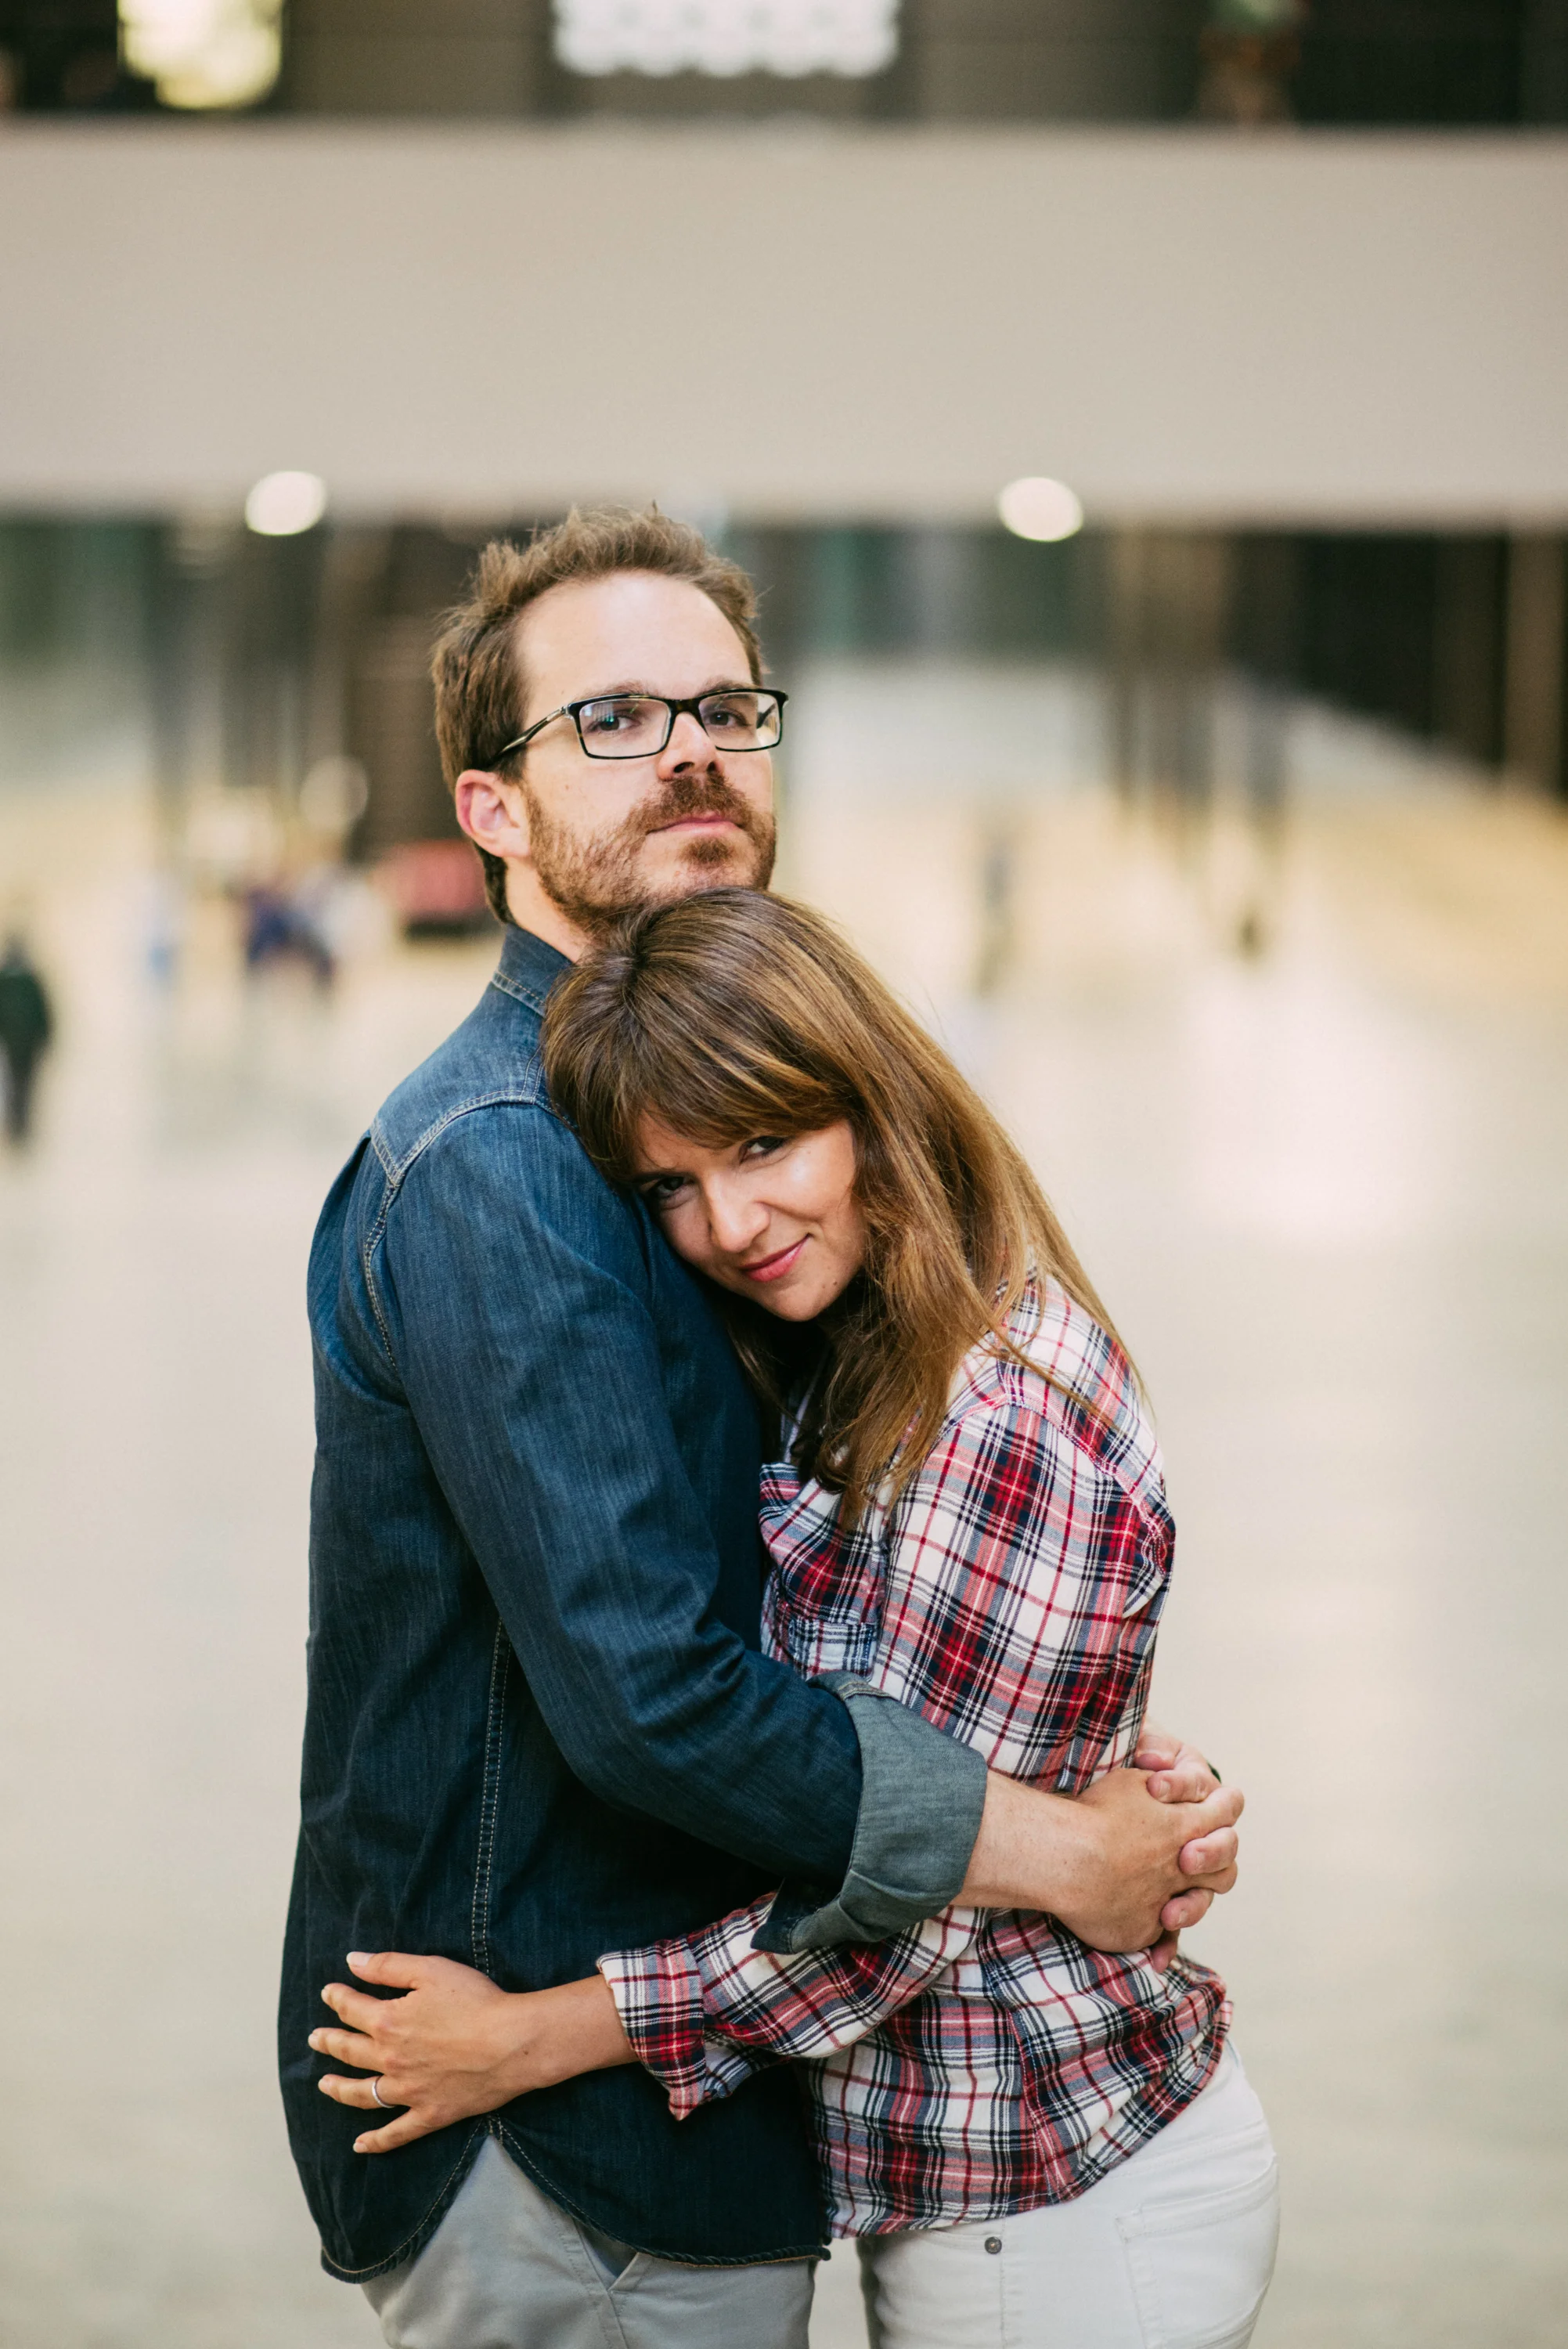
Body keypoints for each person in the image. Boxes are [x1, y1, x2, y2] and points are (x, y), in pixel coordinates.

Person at [282, 507, 1244, 2349]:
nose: (695, 750)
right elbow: (656, 1694)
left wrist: (1096, 1771)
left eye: (725, 705)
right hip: (566, 2142)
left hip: (721, 2112)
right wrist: (1051, 1843)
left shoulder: (646, 1123)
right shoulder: (508, 1162)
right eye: (616, 721)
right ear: (488, 809)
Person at [0, 932, 53, 1144]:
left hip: (14, 1043)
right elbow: (44, 1013)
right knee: (23, 1082)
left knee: (15, 1081)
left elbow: (43, 1012)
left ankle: (17, 1122)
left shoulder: (21, 981)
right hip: (24, 1044)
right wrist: (46, 1036)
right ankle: (19, 1122)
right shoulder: (29, 981)